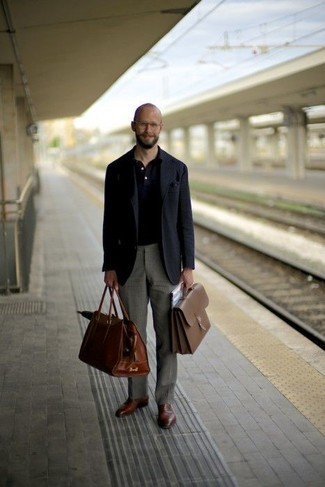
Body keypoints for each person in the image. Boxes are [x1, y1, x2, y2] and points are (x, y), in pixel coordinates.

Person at [102, 103, 195, 429]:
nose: (148, 130)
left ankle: (165, 401)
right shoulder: (116, 169)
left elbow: (186, 220)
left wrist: (188, 266)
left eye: (153, 125)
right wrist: (109, 265)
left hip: (165, 261)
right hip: (128, 262)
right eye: (143, 125)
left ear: (160, 127)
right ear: (133, 126)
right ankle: (137, 394)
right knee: (133, 335)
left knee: (167, 337)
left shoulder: (177, 169)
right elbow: (109, 221)